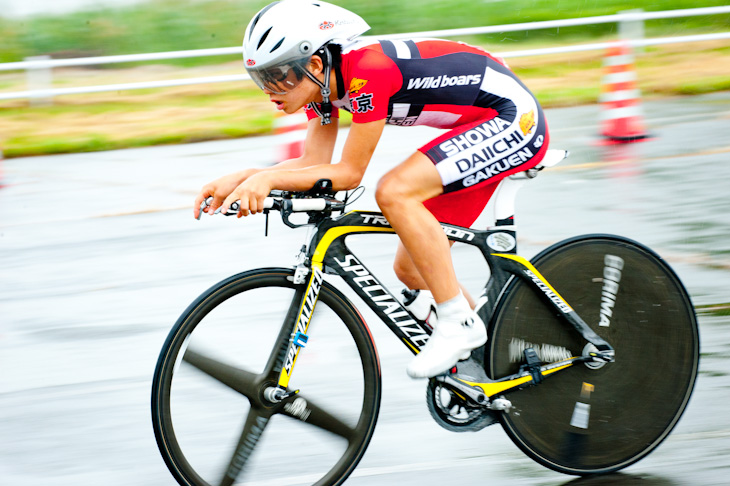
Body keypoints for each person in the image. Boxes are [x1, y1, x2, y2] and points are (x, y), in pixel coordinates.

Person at [193, 0, 550, 379]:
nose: (269, 90)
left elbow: (348, 174)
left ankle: (459, 324)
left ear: (314, 64)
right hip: (480, 123)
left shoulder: (367, 72)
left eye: (277, 75)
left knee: (395, 190)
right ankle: (498, 349)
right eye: (260, 78)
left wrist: (265, 181)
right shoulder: (322, 87)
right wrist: (246, 177)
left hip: (514, 119)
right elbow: (312, 163)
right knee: (412, 270)